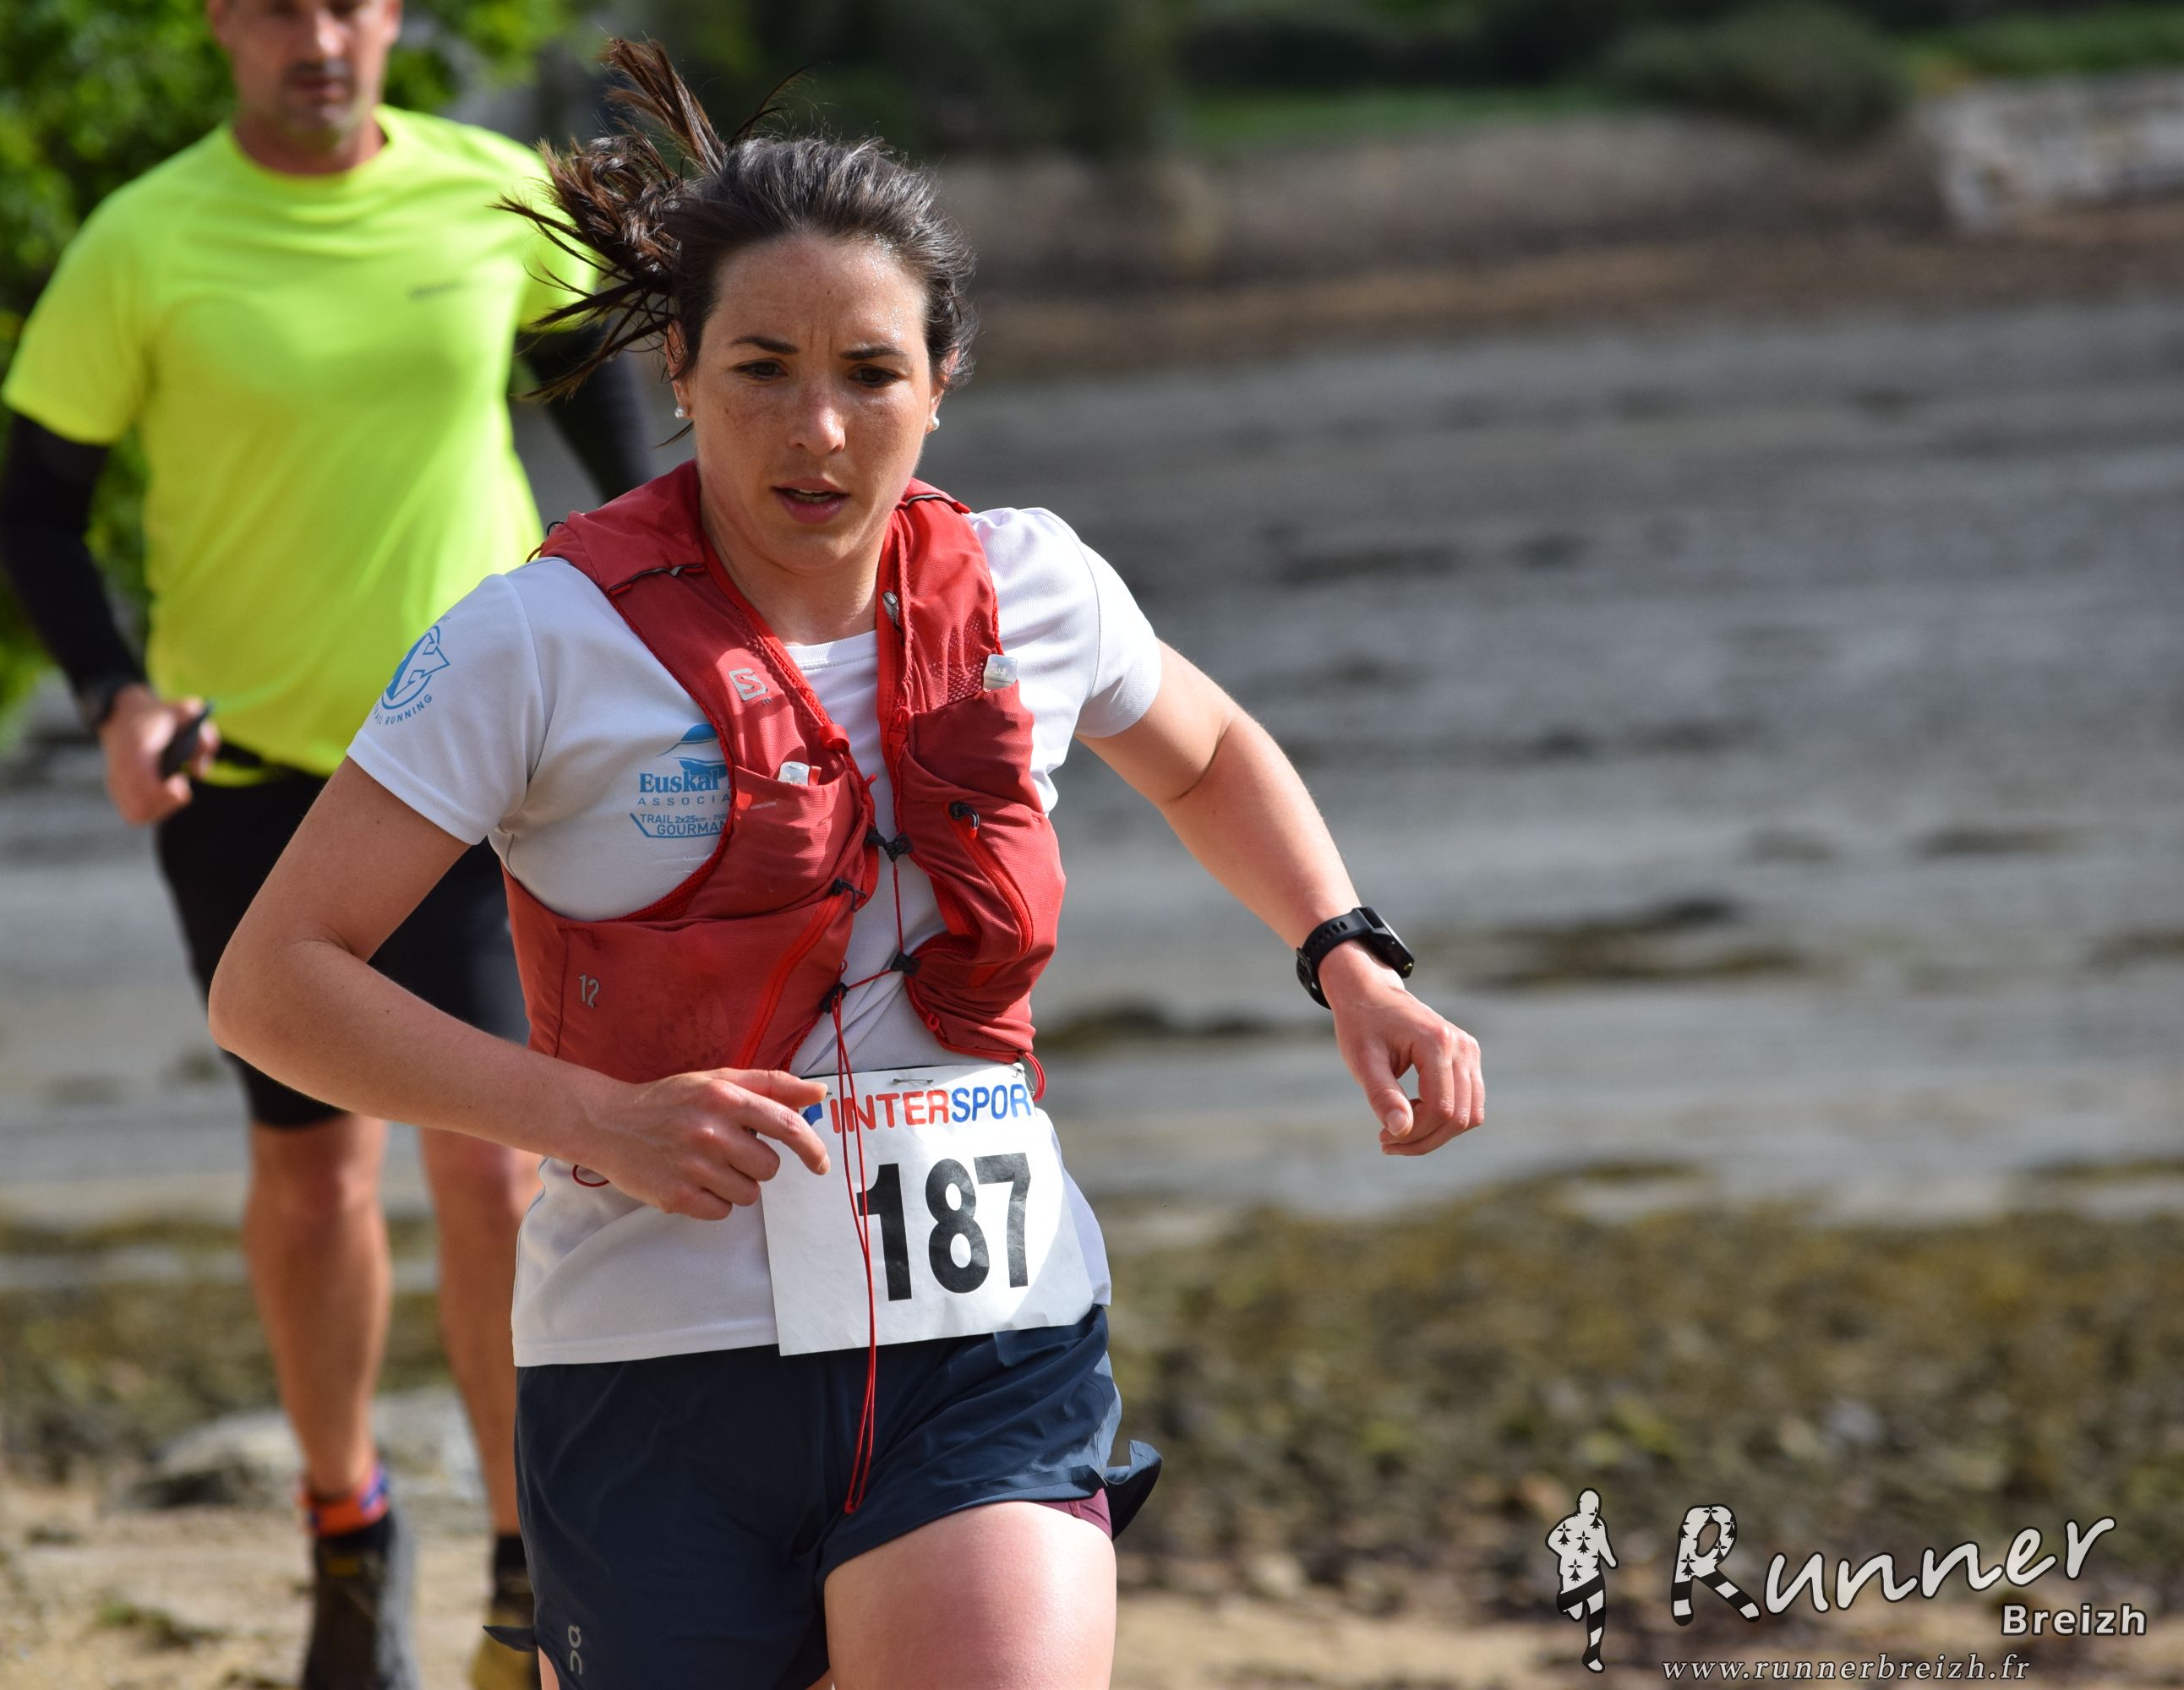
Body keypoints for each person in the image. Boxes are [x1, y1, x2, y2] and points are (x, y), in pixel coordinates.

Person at [207, 39, 1485, 1690]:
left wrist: (1348, 957)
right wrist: (589, 1118)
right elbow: (273, 983)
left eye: (871, 373)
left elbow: (1208, 749)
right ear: (677, 369)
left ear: (939, 383)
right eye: (761, 368)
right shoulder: (536, 640)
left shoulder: (1035, 583)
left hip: (989, 1340)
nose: (816, 429)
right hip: (655, 1366)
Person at [0, 3, 655, 1685]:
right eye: (279, 4)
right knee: (313, 1177)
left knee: (495, 1165)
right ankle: (349, 1534)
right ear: (225, 22)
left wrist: (652, 627)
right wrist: (113, 699)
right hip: (256, 771)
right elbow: (35, 508)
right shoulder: (143, 239)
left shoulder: (495, 191)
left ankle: (526, 1571)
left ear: (392, 19)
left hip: (488, 771)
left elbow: (618, 438)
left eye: (348, 1)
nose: (319, 34)